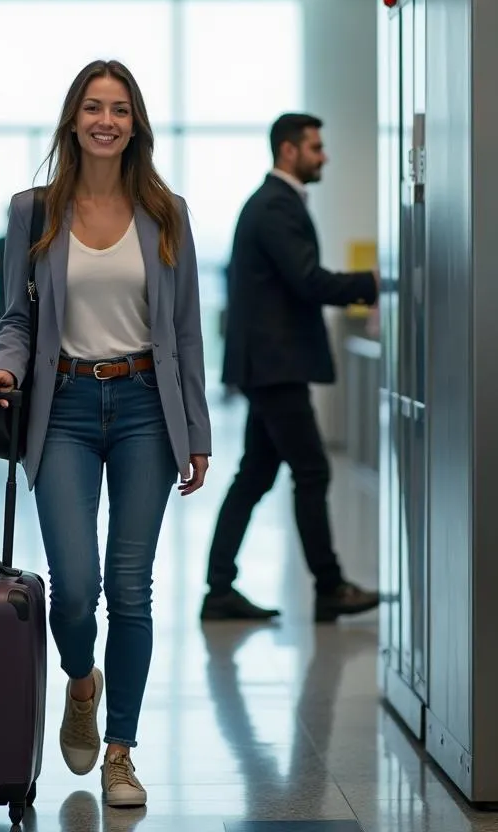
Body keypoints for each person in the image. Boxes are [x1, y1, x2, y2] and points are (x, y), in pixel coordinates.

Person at [0, 60, 211, 810]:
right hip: (64, 408)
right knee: (75, 590)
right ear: (73, 120)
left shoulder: (166, 212)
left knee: (130, 591)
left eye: (120, 109)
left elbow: (186, 330)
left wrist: (195, 431)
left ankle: (120, 752)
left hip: (145, 406)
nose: (106, 120)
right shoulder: (34, 210)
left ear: (135, 124)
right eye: (92, 107)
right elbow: (17, 316)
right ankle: (82, 681)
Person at [203, 113, 380, 624]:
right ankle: (329, 587)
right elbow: (307, 279)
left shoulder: (273, 203)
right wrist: (370, 281)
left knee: (255, 474)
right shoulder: (276, 205)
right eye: (316, 147)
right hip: (275, 364)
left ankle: (219, 590)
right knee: (311, 470)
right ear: (288, 151)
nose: (323, 156)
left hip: (268, 363)